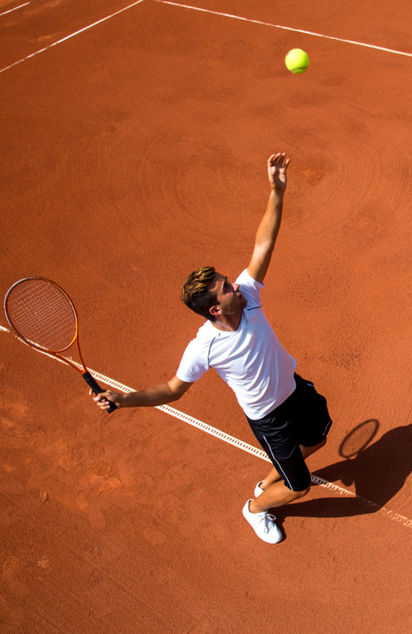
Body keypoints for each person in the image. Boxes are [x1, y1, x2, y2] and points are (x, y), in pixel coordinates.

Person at [93, 153, 332, 544]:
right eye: (226, 286)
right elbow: (171, 390)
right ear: (216, 308)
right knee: (299, 487)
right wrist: (122, 399)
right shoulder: (204, 348)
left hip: (293, 390)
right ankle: (255, 508)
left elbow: (263, 243)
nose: (235, 283)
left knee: (318, 438)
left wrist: (277, 192)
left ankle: (271, 479)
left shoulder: (249, 297)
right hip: (269, 418)